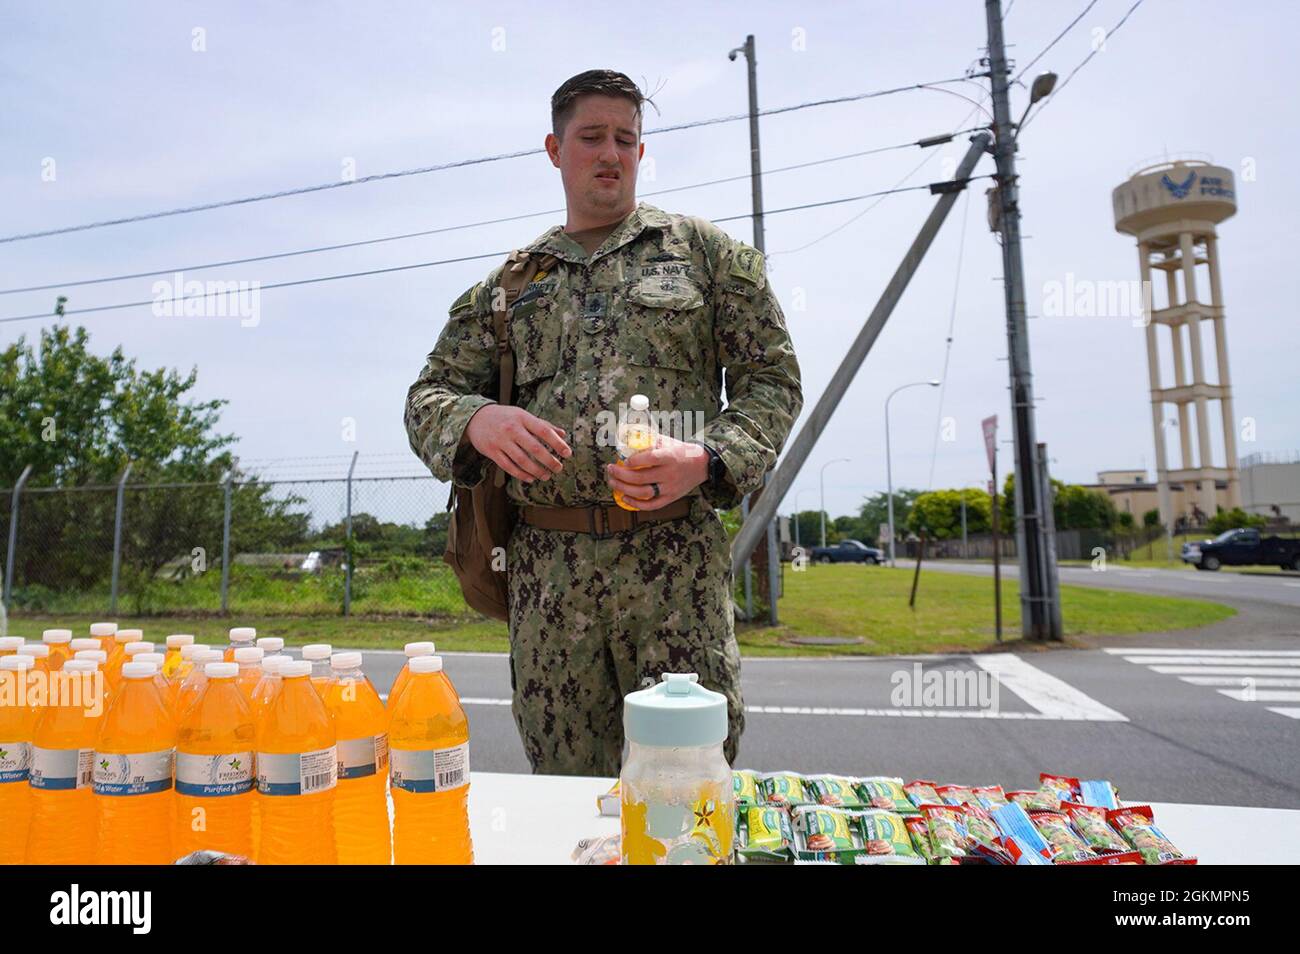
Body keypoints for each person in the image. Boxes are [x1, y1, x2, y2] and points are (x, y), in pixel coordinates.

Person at [405, 69, 802, 775]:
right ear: (556, 149)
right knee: (566, 798)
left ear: (641, 154)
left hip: (675, 573)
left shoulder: (709, 258)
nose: (611, 153)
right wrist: (478, 420)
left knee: (686, 789)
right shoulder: (509, 285)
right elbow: (428, 395)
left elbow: (773, 381)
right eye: (592, 137)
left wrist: (706, 459)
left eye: (627, 138)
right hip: (549, 585)